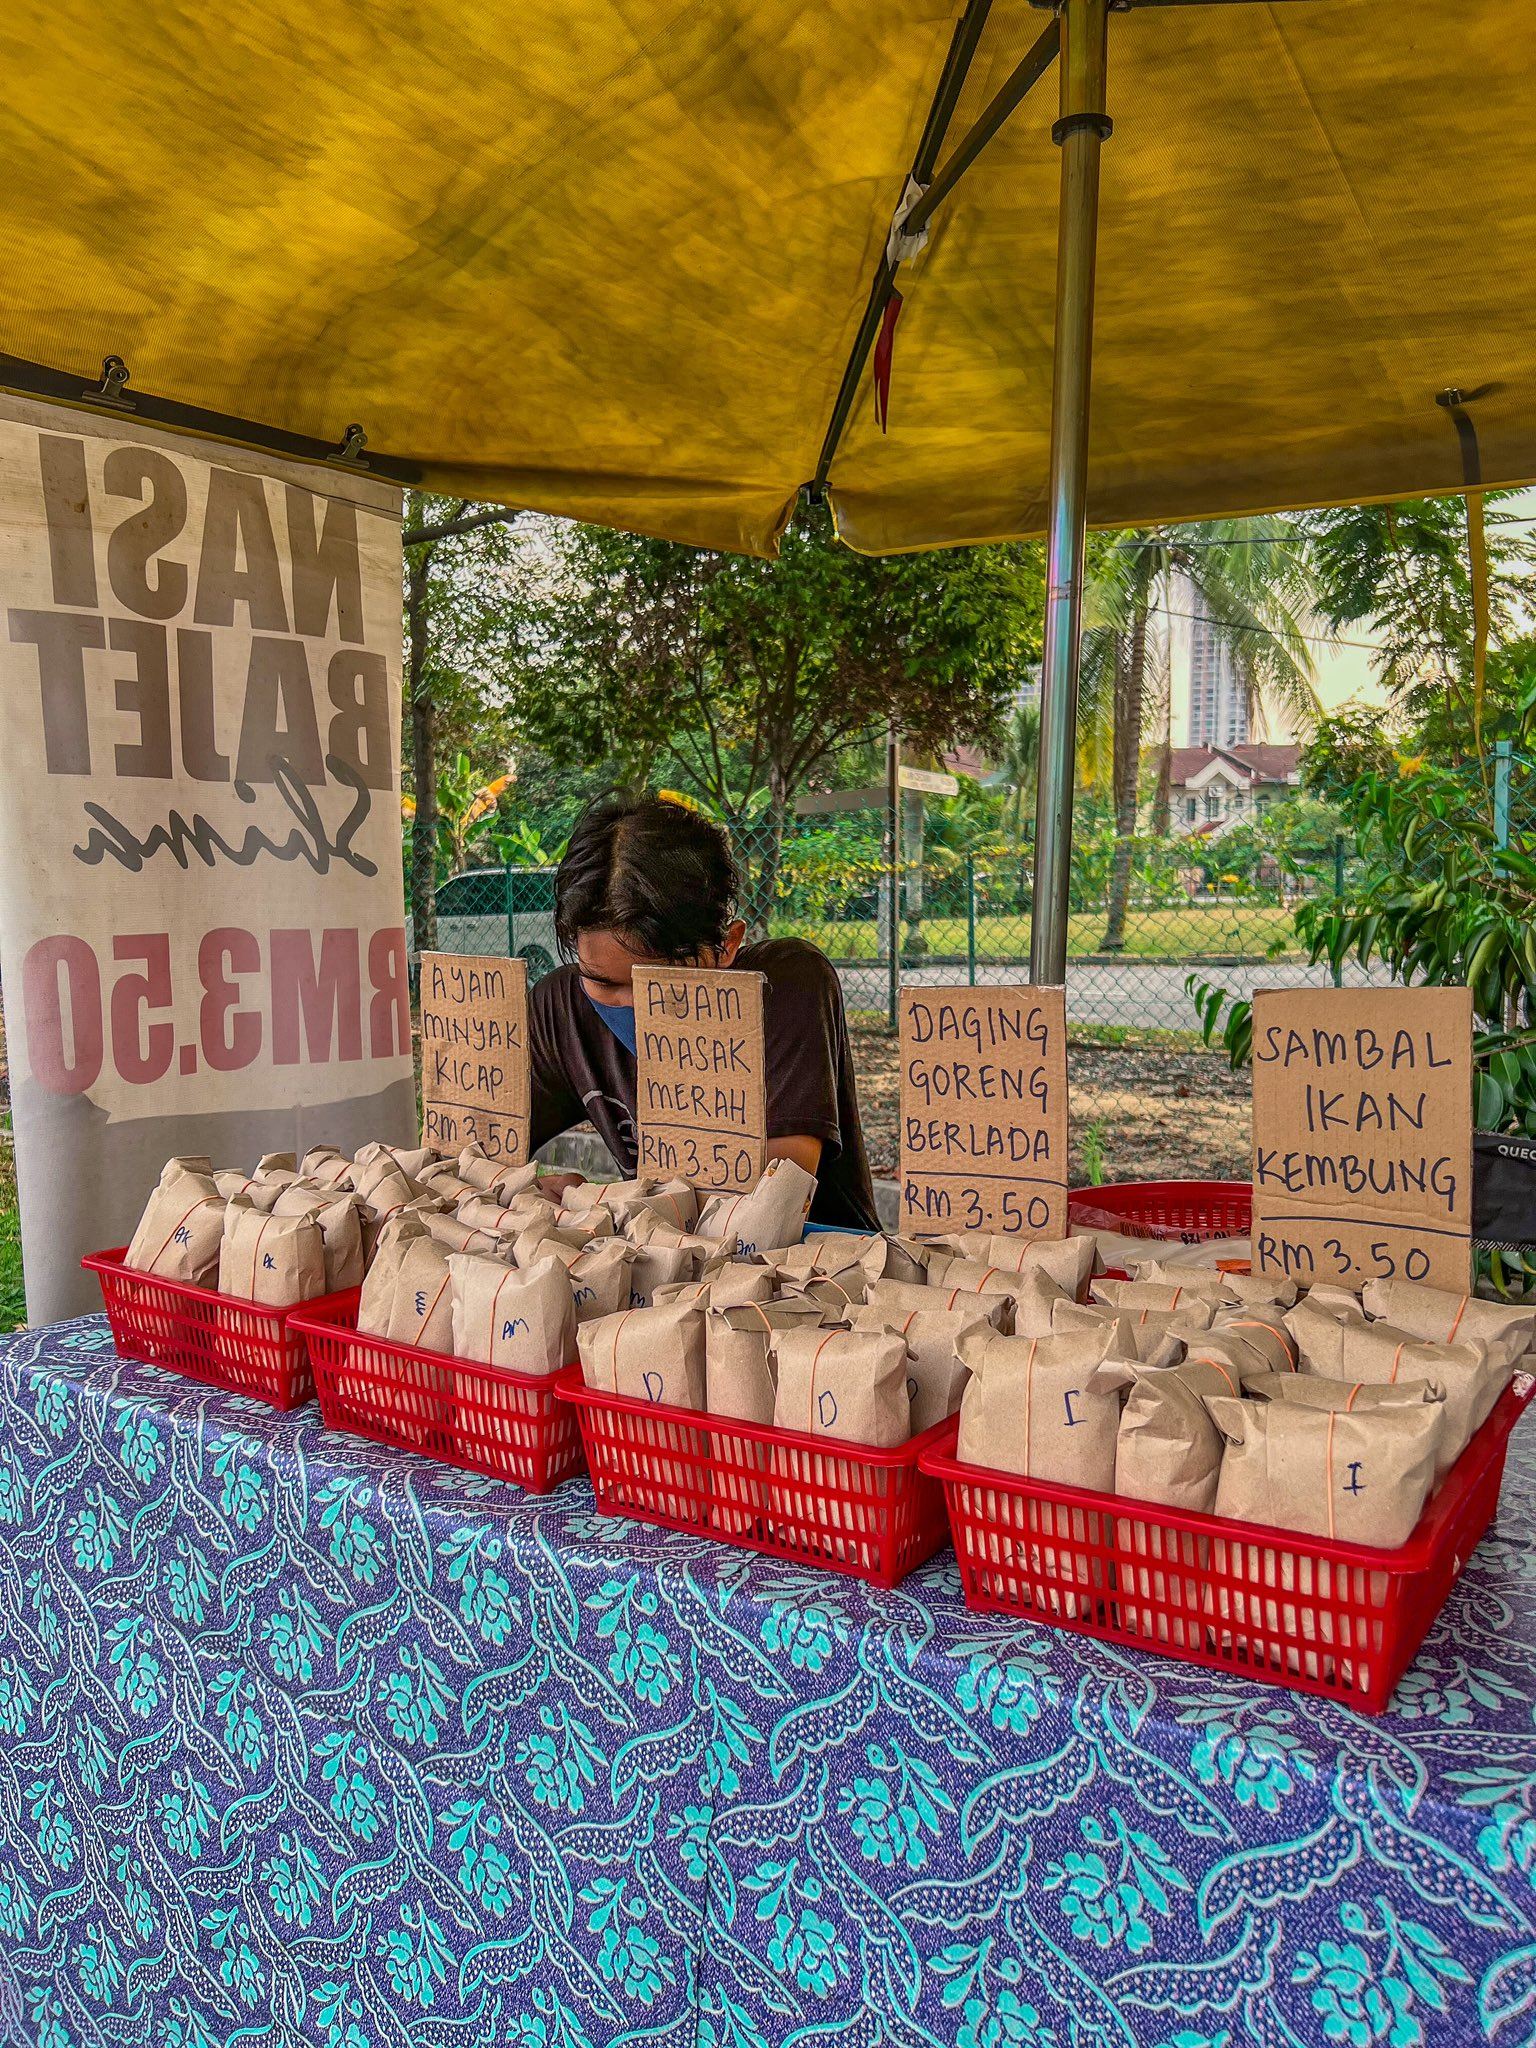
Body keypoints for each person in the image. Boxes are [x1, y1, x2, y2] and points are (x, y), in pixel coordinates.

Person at [528, 792, 880, 1231]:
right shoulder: (561, 1007)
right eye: (604, 982)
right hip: (668, 1269)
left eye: (661, 982)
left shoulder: (787, 985)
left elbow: (776, 1191)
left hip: (824, 1272)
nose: (639, 1006)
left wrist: (602, 1201)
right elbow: (475, 1147)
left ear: (727, 945)